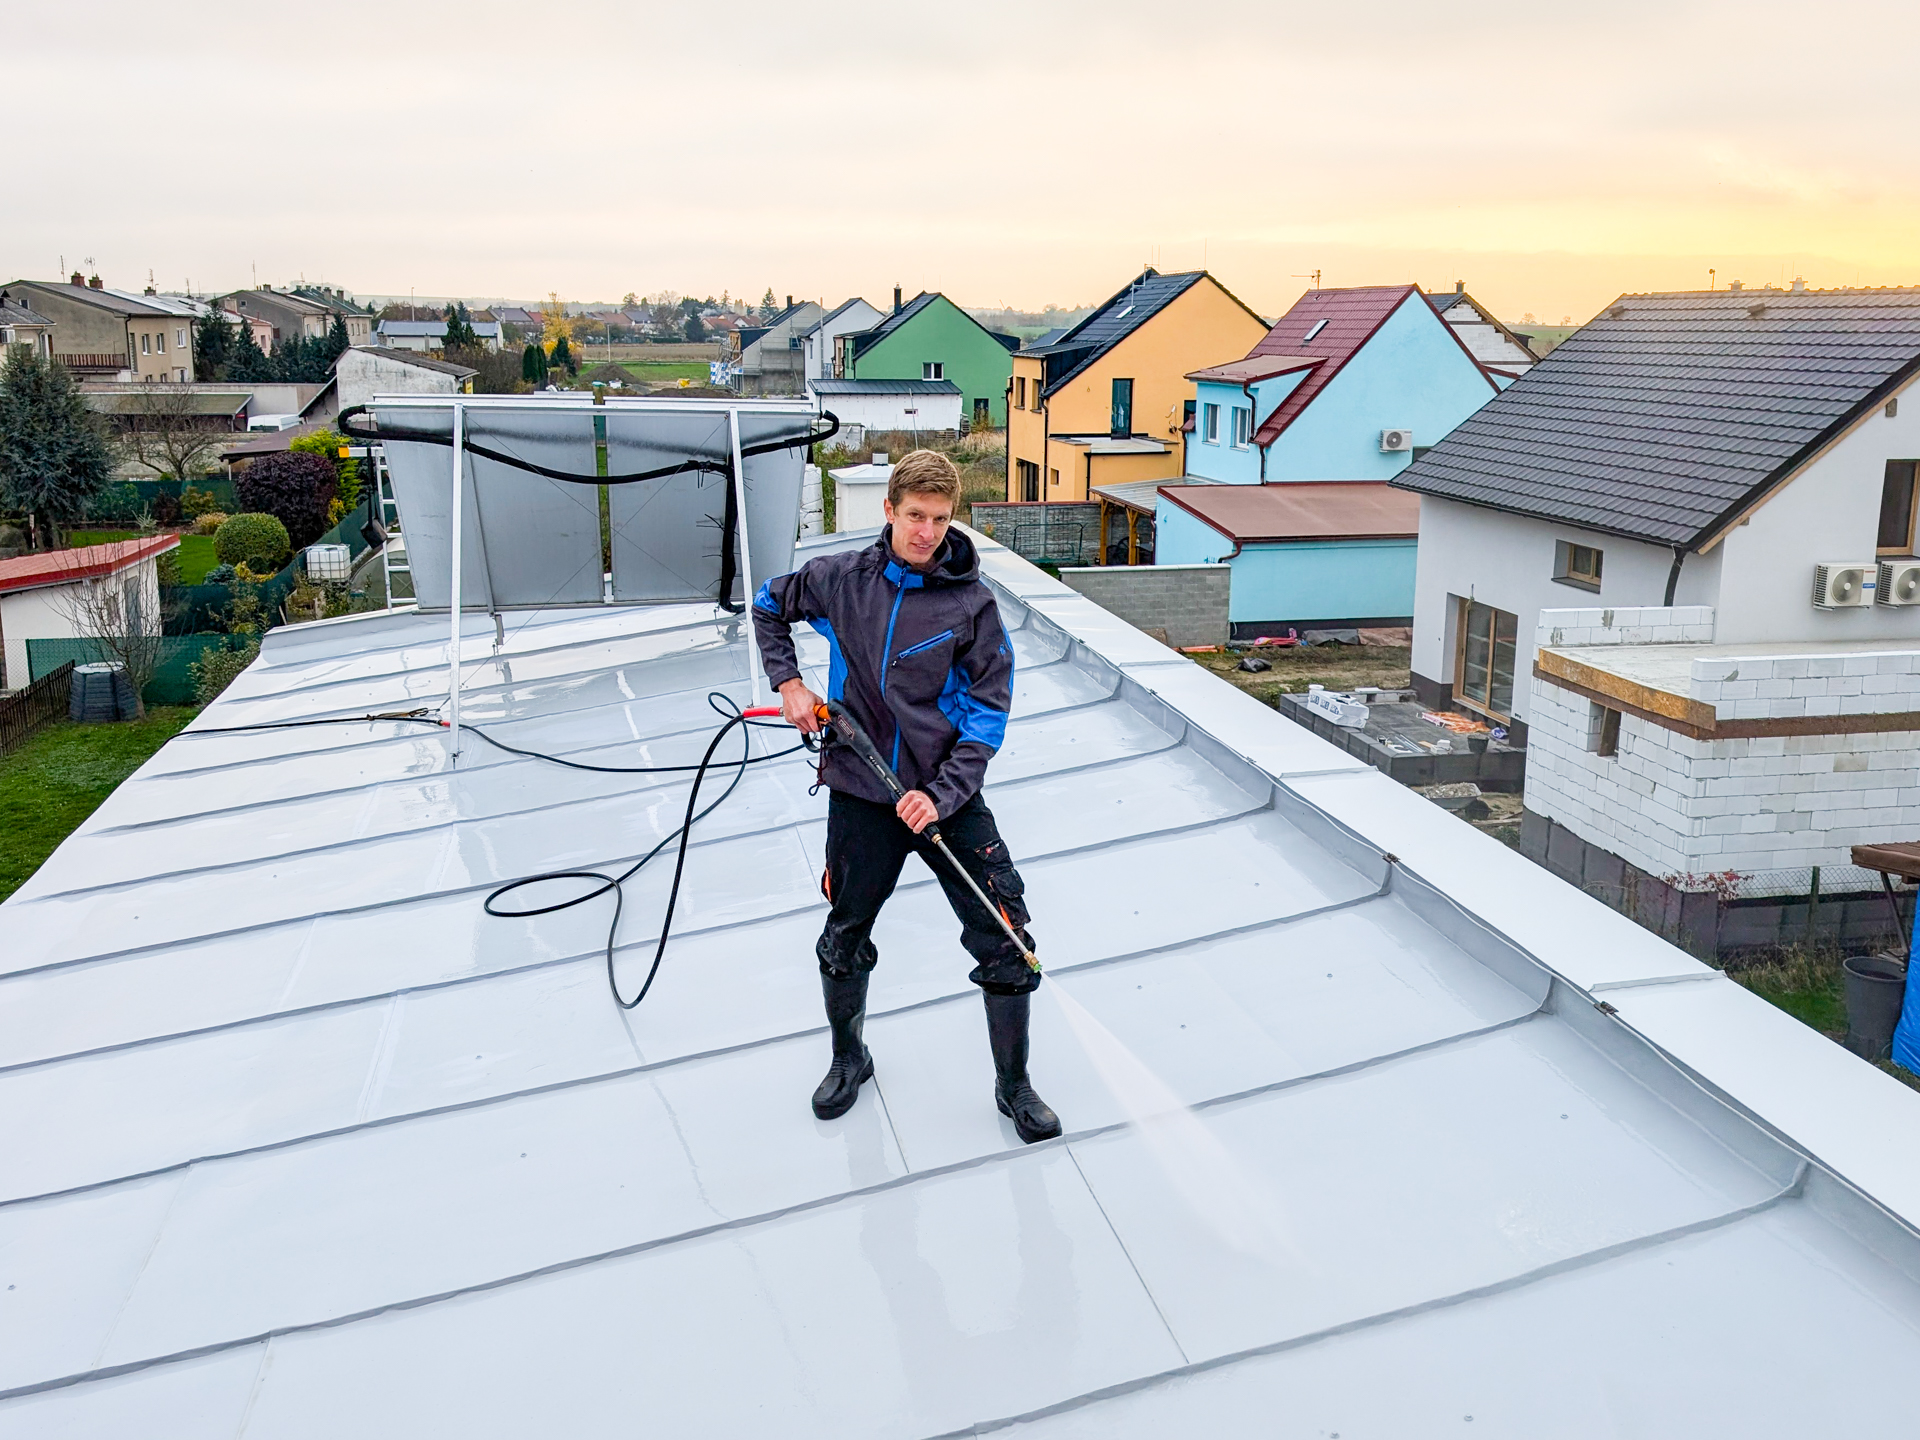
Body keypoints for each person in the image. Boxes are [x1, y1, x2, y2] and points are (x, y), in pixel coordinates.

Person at [751, 449, 1061, 1143]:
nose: (927, 532)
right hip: (861, 789)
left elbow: (987, 716)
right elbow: (768, 606)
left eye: (941, 519)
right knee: (844, 935)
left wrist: (942, 793)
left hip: (946, 798)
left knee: (1007, 939)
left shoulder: (971, 605)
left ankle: (1014, 1086)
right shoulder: (840, 581)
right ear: (889, 510)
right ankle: (848, 1056)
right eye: (915, 516)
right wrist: (788, 683)